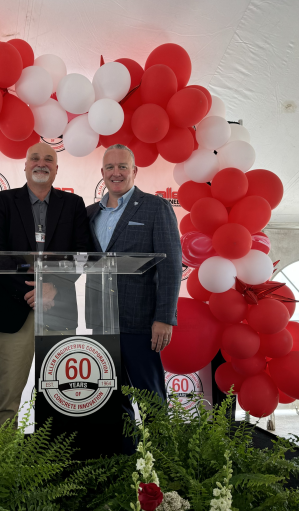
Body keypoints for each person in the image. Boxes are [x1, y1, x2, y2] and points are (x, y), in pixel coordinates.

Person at [0, 142, 90, 429]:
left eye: (48, 159)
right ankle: (2, 465)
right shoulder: (3, 201)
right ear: (26, 165)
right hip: (13, 309)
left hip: (59, 308)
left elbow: (83, 253)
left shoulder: (74, 204)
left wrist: (51, 287)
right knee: (7, 394)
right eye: (35, 158)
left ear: (56, 168)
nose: (41, 163)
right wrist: (33, 290)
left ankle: (53, 465)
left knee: (60, 394)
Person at [86, 143, 182, 421]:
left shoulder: (156, 207)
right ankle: (124, 459)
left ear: (134, 171)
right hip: (100, 322)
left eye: (122, 166)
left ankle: (161, 462)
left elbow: (171, 266)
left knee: (151, 400)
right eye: (110, 167)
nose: (116, 173)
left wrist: (164, 317)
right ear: (102, 172)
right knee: (112, 400)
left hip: (141, 321)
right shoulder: (90, 213)